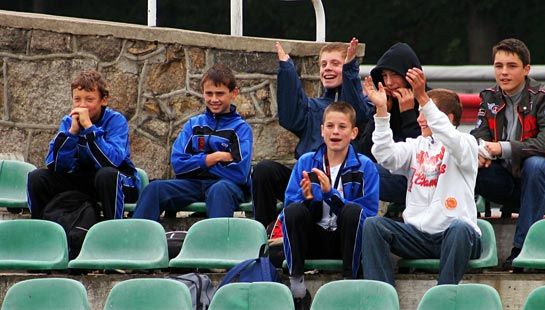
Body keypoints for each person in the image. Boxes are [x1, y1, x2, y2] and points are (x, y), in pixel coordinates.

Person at [362, 68, 481, 286]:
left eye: (425, 112)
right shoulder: (416, 145)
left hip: (458, 238)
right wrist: (381, 112)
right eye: (420, 112)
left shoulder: (466, 144)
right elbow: (385, 155)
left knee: (460, 228)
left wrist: (423, 97)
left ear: (448, 118)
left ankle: (442, 298)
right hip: (418, 238)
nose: (419, 119)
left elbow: (449, 137)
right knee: (373, 225)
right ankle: (382, 298)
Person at [471, 38, 545, 269]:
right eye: (498, 66)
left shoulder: (544, 97)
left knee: (535, 164)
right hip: (509, 184)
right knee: (467, 163)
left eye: (511, 66)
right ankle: (465, 244)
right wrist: (479, 152)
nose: (504, 72)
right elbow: (478, 136)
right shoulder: (489, 97)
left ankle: (523, 249)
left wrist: (503, 147)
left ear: (526, 69)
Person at [252, 38, 373, 228]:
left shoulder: (364, 106)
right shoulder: (314, 107)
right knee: (264, 170)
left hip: (343, 186)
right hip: (309, 183)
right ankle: (265, 231)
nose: (327, 68)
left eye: (335, 63)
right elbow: (290, 117)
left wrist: (350, 69)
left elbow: (354, 109)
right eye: (323, 64)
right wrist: (287, 70)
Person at [282, 102, 379, 310]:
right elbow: (288, 207)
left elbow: (368, 215)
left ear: (353, 133)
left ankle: (348, 283)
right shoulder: (307, 161)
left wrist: (331, 195)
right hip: (313, 239)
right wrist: (308, 199)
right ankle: (297, 289)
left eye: (342, 127)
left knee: (352, 211)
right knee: (294, 211)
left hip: (345, 242)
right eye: (330, 126)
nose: (335, 132)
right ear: (322, 130)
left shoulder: (365, 166)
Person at [132, 64, 252, 220]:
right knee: (154, 189)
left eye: (220, 93)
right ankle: (136, 235)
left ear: (233, 93)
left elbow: (239, 173)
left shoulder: (241, 129)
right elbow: (178, 164)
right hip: (192, 185)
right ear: (202, 93)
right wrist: (214, 158)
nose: (214, 99)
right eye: (209, 93)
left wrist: (195, 166)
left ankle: (217, 237)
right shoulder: (193, 125)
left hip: (226, 187)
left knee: (219, 190)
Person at [27, 69, 139, 220]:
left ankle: (113, 229)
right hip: (83, 180)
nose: (82, 105)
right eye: (77, 99)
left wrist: (89, 129)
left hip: (119, 181)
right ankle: (42, 228)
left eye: (89, 99)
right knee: (37, 177)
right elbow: (55, 165)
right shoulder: (68, 122)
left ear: (103, 100)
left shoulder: (116, 121)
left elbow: (111, 162)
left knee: (106, 175)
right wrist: (72, 133)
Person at [354, 42, 423, 206]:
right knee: (352, 168)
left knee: (361, 173)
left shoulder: (429, 101)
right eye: (384, 76)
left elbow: (422, 154)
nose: (389, 82)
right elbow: (366, 152)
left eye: (395, 75)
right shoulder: (387, 102)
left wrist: (408, 114)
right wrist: (381, 112)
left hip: (422, 180)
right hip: (392, 172)